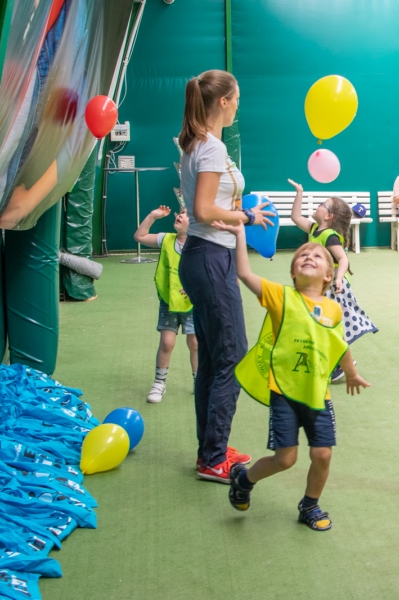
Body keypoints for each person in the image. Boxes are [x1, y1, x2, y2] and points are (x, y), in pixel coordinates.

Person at [218, 220, 370, 531]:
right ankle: (244, 479)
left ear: (329, 275)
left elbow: (338, 344)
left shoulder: (333, 310)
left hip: (317, 393)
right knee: (285, 459)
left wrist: (352, 372)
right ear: (293, 272)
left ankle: (309, 505)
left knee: (322, 454)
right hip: (284, 391)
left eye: (317, 256)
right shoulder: (280, 296)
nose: (309, 257)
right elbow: (244, 274)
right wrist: (239, 235)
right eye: (302, 255)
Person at [177, 69, 275, 483]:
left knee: (216, 359)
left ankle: (211, 449)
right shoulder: (211, 147)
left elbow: (206, 207)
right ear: (223, 102)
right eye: (236, 99)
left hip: (204, 257)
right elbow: (202, 210)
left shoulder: (199, 143)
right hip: (208, 259)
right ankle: (213, 457)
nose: (238, 105)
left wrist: (232, 217)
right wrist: (245, 216)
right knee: (231, 357)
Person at [288, 179, 378, 381]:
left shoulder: (329, 235)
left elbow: (343, 258)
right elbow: (295, 217)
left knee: (330, 325)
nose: (318, 206)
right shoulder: (314, 229)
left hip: (333, 287)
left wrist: (338, 279)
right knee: (320, 324)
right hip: (320, 285)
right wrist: (299, 193)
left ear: (329, 216)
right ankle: (337, 362)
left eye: (322, 204)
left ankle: (339, 365)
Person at [133, 205, 198, 403]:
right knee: (167, 343)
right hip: (168, 301)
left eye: (186, 214)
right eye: (181, 212)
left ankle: (199, 383)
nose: (180, 215)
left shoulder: (200, 245)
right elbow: (140, 236)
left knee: (195, 344)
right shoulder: (166, 239)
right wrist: (152, 216)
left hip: (193, 304)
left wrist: (193, 288)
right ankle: (159, 384)